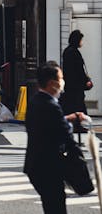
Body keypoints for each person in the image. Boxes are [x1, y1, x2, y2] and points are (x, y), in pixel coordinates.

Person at [24, 61, 90, 213]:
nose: (62, 82)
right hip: (49, 168)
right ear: (52, 83)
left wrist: (67, 118)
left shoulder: (35, 101)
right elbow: (65, 135)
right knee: (56, 207)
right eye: (61, 79)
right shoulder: (51, 106)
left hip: (35, 166)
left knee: (51, 205)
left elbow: (47, 124)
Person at [61, 29, 93, 115]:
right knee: (78, 106)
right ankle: (78, 124)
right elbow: (79, 70)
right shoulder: (74, 52)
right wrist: (86, 81)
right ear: (77, 40)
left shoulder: (67, 51)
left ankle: (76, 124)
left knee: (72, 107)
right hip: (76, 87)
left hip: (70, 85)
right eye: (81, 40)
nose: (82, 42)